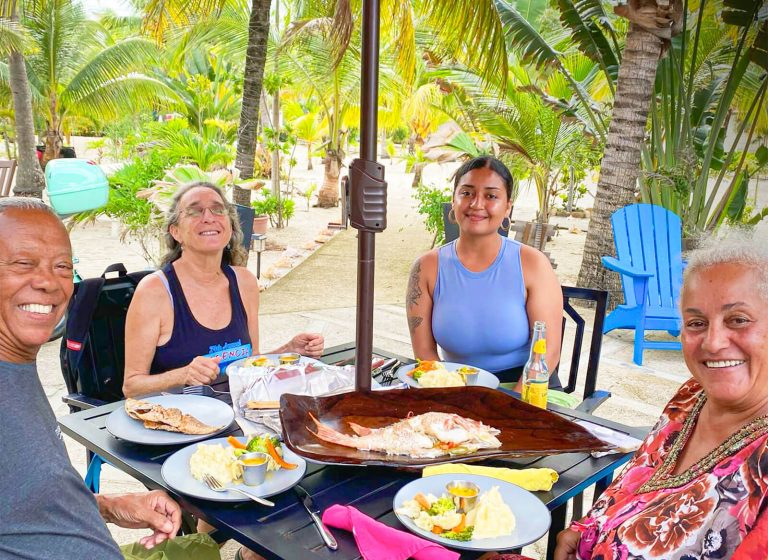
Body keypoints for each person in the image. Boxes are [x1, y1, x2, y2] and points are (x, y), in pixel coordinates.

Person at [0, 197, 218, 559]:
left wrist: (114, 506)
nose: (48, 283)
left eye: (61, 267)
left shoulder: (17, 366)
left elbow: (28, 499)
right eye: (24, 264)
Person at [554, 231, 768, 560]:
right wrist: (586, 529)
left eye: (737, 320)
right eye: (696, 322)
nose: (713, 343)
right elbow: (635, 479)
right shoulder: (691, 397)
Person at [122, 181, 324, 397]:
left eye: (218, 210)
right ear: (176, 232)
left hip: (239, 417)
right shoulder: (155, 291)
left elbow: (250, 363)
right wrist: (183, 375)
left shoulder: (244, 282)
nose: (209, 217)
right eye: (194, 211)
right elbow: (131, 386)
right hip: (176, 423)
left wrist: (288, 351)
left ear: (229, 227)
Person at [406, 156, 563, 388]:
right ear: (453, 199)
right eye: (467, 193)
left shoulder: (533, 264)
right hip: (455, 386)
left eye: (491, 196)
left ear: (508, 206)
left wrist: (512, 404)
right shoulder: (426, 268)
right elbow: (425, 352)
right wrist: (455, 399)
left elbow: (548, 352)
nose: (477, 204)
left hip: (527, 386)